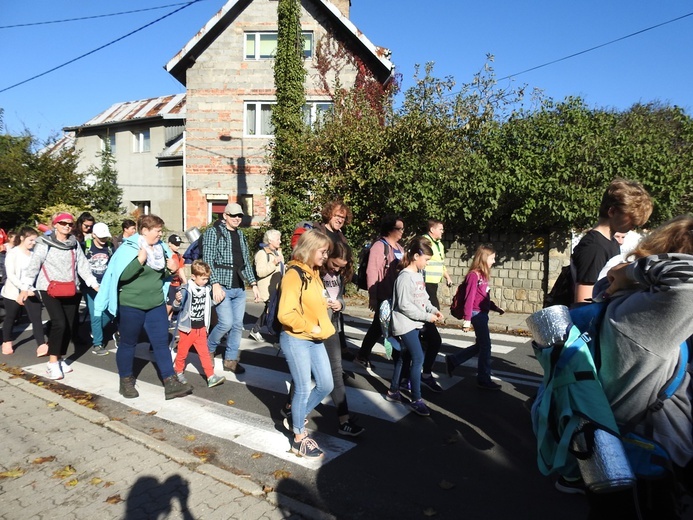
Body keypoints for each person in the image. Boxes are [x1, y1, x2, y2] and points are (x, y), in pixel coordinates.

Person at [583, 215, 693, 519]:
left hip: (618, 454)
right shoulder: (649, 313)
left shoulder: (626, 302)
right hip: (652, 458)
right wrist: (632, 270)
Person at [94, 214, 192, 400]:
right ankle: (126, 381)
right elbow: (120, 276)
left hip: (155, 304)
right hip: (131, 305)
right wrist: (139, 261)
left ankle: (170, 381)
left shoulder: (161, 249)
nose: (160, 234)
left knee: (161, 343)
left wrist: (170, 270)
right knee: (128, 343)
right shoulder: (129, 249)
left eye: (161, 230)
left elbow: (161, 277)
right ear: (145, 230)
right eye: (157, 231)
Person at [280, 241, 364, 436]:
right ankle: (295, 422)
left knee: (333, 375)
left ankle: (343, 420)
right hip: (307, 331)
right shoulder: (308, 272)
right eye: (334, 264)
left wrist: (339, 305)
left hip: (328, 328)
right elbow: (288, 311)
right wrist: (311, 326)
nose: (336, 269)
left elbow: (339, 296)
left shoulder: (332, 275)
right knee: (302, 380)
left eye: (341, 267)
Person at [19, 212, 100, 380]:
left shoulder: (74, 244)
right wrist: (25, 287)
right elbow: (35, 265)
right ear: (55, 224)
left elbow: (82, 265)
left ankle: (61, 356)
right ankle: (52, 362)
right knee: (59, 323)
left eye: (70, 224)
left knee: (69, 325)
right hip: (49, 288)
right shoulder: (44, 243)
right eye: (63, 223)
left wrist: (93, 283)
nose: (67, 226)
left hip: (71, 287)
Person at [277, 229, 335, 458]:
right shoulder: (294, 274)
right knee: (302, 388)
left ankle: (295, 416)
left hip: (314, 338)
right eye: (322, 251)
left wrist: (326, 304)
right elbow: (285, 314)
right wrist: (311, 327)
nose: (325, 256)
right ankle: (299, 438)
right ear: (309, 249)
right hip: (296, 339)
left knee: (325, 385)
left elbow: (310, 302)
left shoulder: (313, 272)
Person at [385, 236, 444, 416]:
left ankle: (393, 391)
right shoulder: (404, 277)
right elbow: (404, 306)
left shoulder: (418, 275)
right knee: (418, 358)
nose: (426, 264)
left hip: (414, 323)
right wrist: (427, 317)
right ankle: (416, 399)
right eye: (426, 260)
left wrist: (433, 310)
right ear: (416, 256)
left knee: (405, 357)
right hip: (404, 324)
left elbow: (424, 298)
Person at [572, 178, 652, 304]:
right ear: (612, 211)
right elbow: (583, 302)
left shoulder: (611, 242)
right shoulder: (594, 247)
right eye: (631, 220)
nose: (634, 225)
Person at [203, 203, 260, 373]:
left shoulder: (241, 235)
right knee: (225, 323)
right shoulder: (214, 232)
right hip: (222, 285)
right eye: (233, 215)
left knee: (236, 326)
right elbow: (207, 259)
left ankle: (230, 359)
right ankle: (209, 348)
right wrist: (214, 284)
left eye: (239, 216)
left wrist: (254, 284)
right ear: (225, 215)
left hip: (239, 287)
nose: (237, 218)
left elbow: (245, 263)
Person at [445, 245, 505, 390]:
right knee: (486, 346)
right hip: (476, 314)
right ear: (484, 258)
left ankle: (453, 360)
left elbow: (482, 297)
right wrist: (466, 320)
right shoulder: (474, 275)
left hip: (482, 313)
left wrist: (494, 307)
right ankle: (483, 379)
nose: (494, 261)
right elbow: (469, 298)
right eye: (492, 258)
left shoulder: (483, 276)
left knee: (481, 345)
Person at [355, 215, 404, 368]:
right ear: (390, 229)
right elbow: (372, 271)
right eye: (399, 228)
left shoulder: (399, 247)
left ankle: (362, 355)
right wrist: (373, 296)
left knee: (378, 327)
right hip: (384, 295)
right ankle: (399, 363)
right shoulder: (379, 246)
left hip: (395, 296)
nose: (402, 231)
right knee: (384, 327)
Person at [172, 260, 225, 388]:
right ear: (194, 277)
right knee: (182, 353)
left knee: (205, 353)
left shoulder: (206, 290)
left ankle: (210, 376)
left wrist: (218, 300)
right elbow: (176, 308)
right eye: (203, 279)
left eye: (207, 279)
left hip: (201, 328)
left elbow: (209, 304)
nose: (205, 281)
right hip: (187, 329)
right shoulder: (186, 289)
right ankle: (177, 372)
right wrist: (177, 301)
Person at [2, 227, 48, 356]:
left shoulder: (34, 254)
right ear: (22, 238)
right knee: (11, 317)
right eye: (31, 240)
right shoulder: (13, 253)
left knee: (36, 318)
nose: (33, 243)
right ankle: (7, 341)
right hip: (13, 292)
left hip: (32, 291)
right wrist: (23, 288)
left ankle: (41, 345)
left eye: (35, 240)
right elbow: (10, 275)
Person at [84, 222, 115, 356]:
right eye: (101, 237)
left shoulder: (110, 247)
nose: (103, 240)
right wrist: (91, 283)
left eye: (105, 237)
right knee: (95, 313)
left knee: (111, 311)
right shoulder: (86, 246)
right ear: (93, 235)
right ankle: (97, 343)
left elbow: (114, 264)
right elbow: (81, 266)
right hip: (90, 286)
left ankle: (95, 330)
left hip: (106, 285)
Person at [249, 229, 284, 342]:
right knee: (272, 311)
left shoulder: (278, 252)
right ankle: (275, 336)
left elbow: (281, 268)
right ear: (270, 240)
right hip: (268, 288)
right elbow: (260, 272)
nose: (280, 241)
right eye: (278, 239)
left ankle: (255, 330)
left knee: (270, 310)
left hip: (277, 287)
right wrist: (273, 263)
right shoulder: (262, 254)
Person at [166, 234, 187, 321]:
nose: (177, 247)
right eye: (175, 244)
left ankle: (169, 319)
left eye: (178, 245)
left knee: (175, 301)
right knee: (169, 303)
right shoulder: (167, 255)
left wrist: (185, 282)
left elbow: (181, 269)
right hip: (169, 283)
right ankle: (163, 318)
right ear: (169, 244)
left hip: (177, 283)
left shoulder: (179, 256)